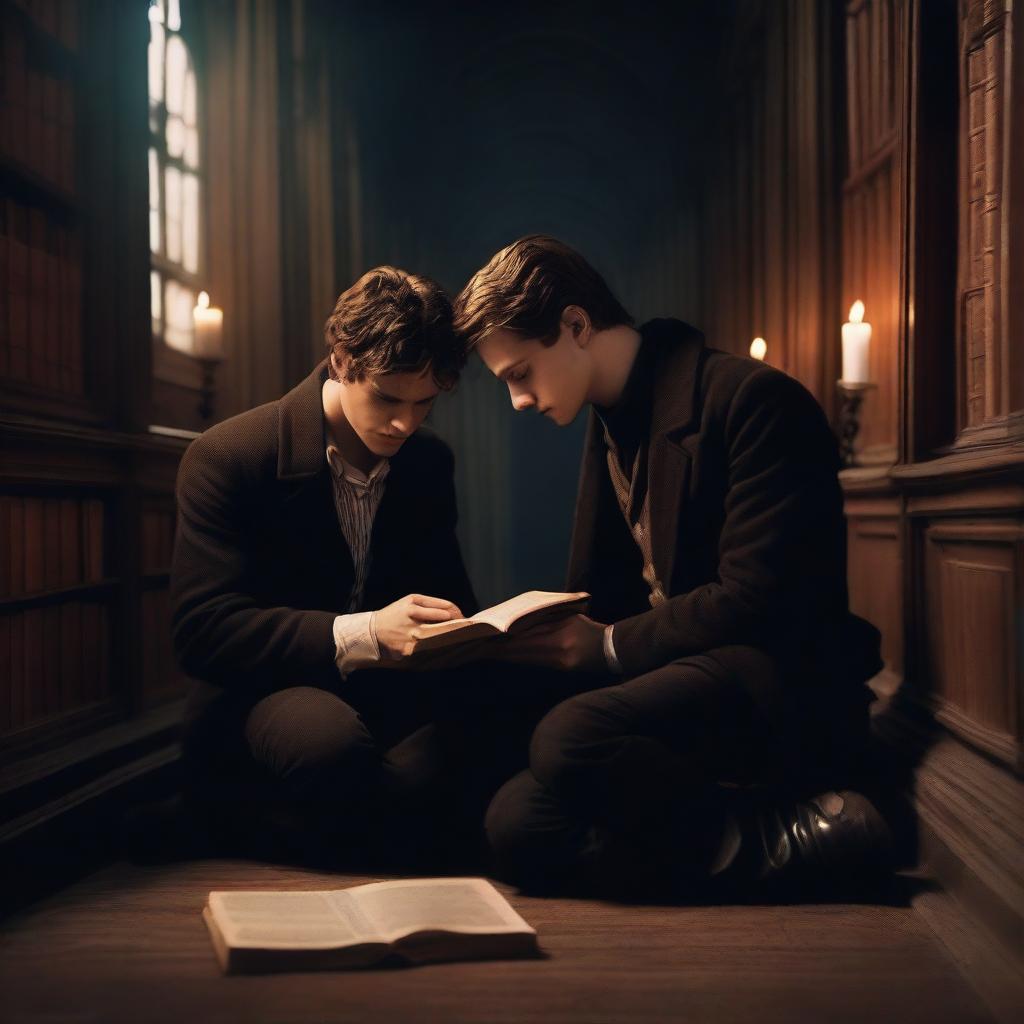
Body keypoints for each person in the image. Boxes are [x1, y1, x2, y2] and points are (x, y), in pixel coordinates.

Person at [453, 235, 893, 898]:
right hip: (683, 680)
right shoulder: (611, 421)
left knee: (568, 739)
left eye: (519, 373)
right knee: (516, 822)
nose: (517, 400)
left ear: (575, 325)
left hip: (776, 681)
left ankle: (797, 830)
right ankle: (760, 841)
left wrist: (603, 645)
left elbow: (757, 599)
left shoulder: (755, 400)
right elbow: (607, 591)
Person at [165, 267, 509, 867]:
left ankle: (352, 823)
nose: (405, 422)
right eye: (388, 398)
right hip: (266, 691)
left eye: (424, 403)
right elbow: (203, 631)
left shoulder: (427, 462)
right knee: (336, 753)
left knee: (496, 726)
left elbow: (447, 596)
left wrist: (491, 632)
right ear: (342, 359)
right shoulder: (228, 456)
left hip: (387, 694)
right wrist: (368, 632)